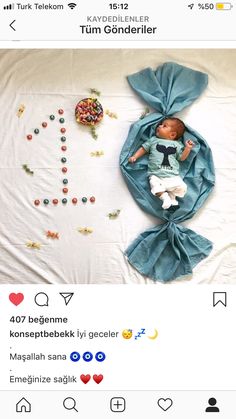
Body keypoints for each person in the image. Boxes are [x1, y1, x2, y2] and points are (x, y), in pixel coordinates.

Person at [128, 117, 194, 209]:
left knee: (181, 187)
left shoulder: (177, 144)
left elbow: (182, 158)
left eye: (164, 126)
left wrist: (188, 149)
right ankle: (164, 197)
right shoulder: (153, 140)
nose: (159, 126)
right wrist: (135, 156)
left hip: (172, 175)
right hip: (156, 175)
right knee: (154, 185)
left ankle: (173, 200)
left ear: (172, 135)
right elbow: (143, 148)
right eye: (161, 124)